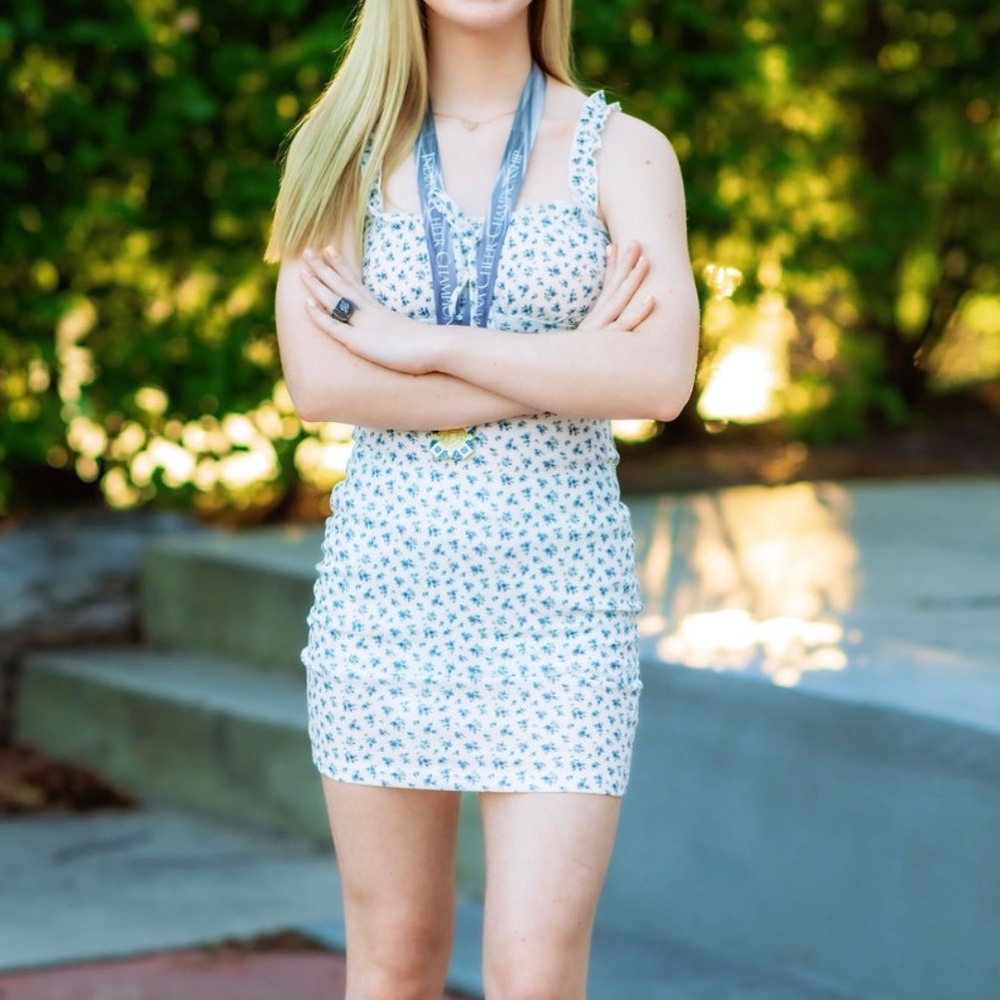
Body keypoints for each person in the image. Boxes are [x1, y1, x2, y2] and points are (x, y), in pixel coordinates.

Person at [266, 0, 699, 996]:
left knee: (533, 968)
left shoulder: (625, 153)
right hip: (386, 599)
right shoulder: (336, 148)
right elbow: (325, 386)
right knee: (396, 961)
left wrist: (427, 347)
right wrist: (564, 362)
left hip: (561, 609)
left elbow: (656, 378)